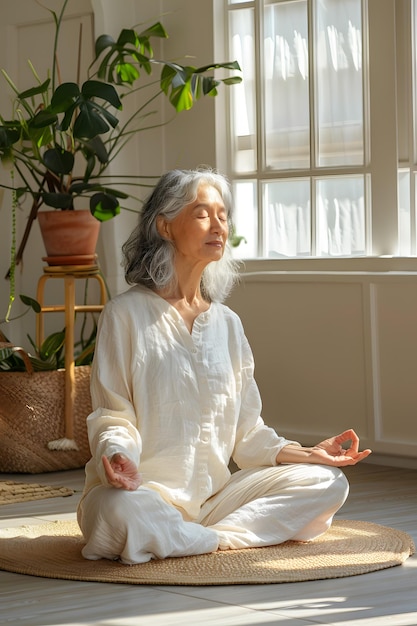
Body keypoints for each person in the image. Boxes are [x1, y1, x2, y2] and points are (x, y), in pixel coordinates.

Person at [77, 167, 371, 564]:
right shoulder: (124, 314)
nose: (218, 225)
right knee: (118, 513)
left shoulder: (227, 324)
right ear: (165, 226)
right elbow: (113, 414)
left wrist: (310, 454)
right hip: (139, 493)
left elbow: (249, 436)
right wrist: (116, 455)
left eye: (222, 215)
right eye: (202, 214)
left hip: (217, 499)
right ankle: (206, 536)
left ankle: (199, 538)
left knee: (327, 482)